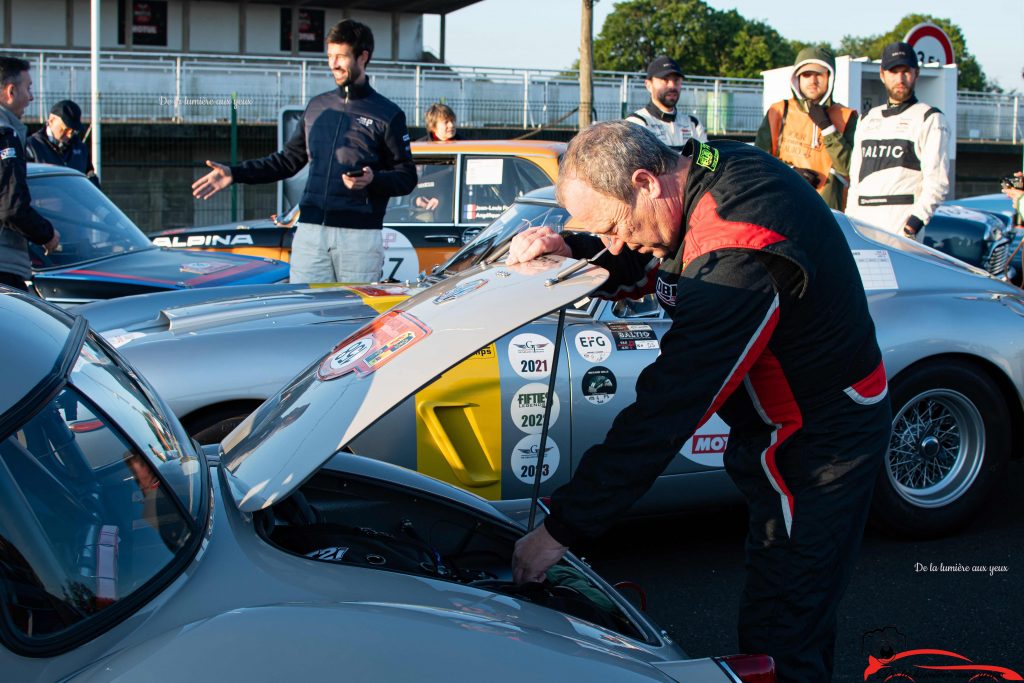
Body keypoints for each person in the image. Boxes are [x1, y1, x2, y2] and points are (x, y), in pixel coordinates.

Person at [508, 121, 891, 682]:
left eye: (610, 226)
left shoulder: (739, 253)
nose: (614, 242)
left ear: (645, 179)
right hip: (785, 426)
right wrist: (574, 248)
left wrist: (560, 531)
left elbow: (667, 409)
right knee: (790, 607)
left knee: (782, 628)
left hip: (820, 445)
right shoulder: (693, 172)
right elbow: (643, 252)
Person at [191, 19, 417, 284]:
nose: (333, 64)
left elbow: (406, 176)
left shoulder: (388, 114)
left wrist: (373, 180)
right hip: (310, 232)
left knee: (354, 313)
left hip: (359, 236)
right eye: (330, 56)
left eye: (341, 56)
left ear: (363, 57)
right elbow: (287, 161)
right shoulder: (317, 107)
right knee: (304, 311)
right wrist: (234, 173)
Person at [847, 42, 950, 240]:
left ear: (916, 73)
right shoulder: (866, 119)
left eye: (906, 71)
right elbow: (855, 179)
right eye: (894, 71)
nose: (900, 78)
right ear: (882, 74)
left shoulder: (930, 117)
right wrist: (851, 221)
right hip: (863, 223)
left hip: (901, 225)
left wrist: (915, 222)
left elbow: (937, 181)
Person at [755, 47, 857, 210]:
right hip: (784, 204)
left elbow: (849, 168)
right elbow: (758, 161)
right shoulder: (779, 111)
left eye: (819, 74)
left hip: (828, 211)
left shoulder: (846, 116)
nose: (812, 81)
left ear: (830, 77)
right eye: (806, 75)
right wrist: (790, 172)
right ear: (797, 79)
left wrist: (827, 127)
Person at [0, 57, 59, 292]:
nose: (31, 97)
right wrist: (47, 234)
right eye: (29, 88)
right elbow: (12, 207)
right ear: (11, 91)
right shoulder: (5, 135)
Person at [625, 56, 707, 149]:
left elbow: (708, 162)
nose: (672, 86)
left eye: (676, 80)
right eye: (665, 79)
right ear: (648, 85)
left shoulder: (693, 124)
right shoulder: (636, 123)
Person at [25, 99, 100, 187]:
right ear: (51, 120)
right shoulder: (31, 146)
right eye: (65, 129)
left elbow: (90, 181)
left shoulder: (80, 148)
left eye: (73, 131)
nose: (69, 135)